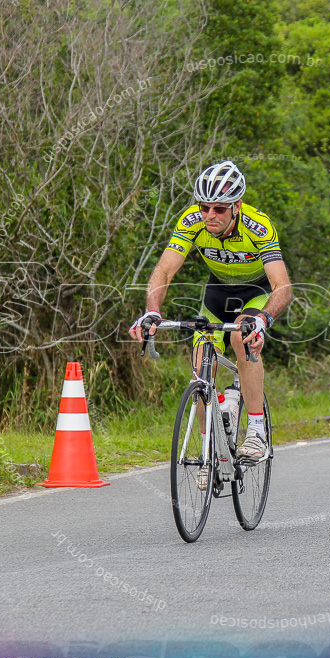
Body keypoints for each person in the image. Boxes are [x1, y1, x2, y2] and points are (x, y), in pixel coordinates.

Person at [128, 160, 293, 463]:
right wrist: (151, 311)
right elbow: (164, 271)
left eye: (219, 209)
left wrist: (262, 320)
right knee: (202, 358)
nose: (209, 215)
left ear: (236, 206)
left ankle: (257, 432)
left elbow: (282, 286)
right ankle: (210, 451)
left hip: (255, 292)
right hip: (217, 291)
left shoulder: (257, 225)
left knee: (240, 337)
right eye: (204, 207)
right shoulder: (192, 221)